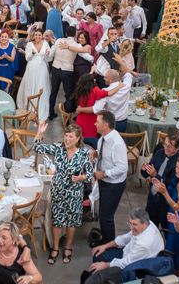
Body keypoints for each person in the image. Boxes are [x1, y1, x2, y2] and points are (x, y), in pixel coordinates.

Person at [33, 122, 93, 265]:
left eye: (70, 136)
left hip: (74, 194)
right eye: (66, 135)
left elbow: (90, 174)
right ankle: (55, 248)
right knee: (58, 220)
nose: (67, 139)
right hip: (58, 190)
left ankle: (67, 247)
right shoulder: (58, 148)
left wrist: (80, 178)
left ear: (78, 138)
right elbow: (36, 147)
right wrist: (40, 132)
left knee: (71, 222)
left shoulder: (84, 153)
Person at [84, 208, 164, 284]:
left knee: (100, 264)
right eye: (130, 223)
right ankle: (96, 275)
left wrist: (105, 265)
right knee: (98, 255)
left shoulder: (144, 244)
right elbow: (125, 238)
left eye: (134, 224)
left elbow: (126, 263)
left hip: (134, 266)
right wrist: (104, 246)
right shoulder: (146, 223)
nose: (131, 227)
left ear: (145, 223)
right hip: (129, 252)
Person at [93, 110, 128, 244]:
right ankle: (105, 239)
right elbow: (105, 154)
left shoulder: (117, 143)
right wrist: (96, 154)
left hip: (113, 185)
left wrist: (104, 173)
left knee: (106, 216)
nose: (95, 124)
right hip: (104, 181)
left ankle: (109, 244)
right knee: (103, 214)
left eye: (98, 121)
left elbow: (122, 167)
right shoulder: (103, 138)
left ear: (106, 124)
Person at [140, 132, 179, 227]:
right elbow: (148, 172)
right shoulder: (159, 153)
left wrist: (155, 175)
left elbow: (172, 184)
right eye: (165, 144)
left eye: (170, 146)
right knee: (149, 226)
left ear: (177, 148)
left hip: (166, 203)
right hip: (152, 197)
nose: (166, 148)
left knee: (165, 229)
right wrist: (144, 170)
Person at [73, 74, 121, 148]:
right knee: (90, 141)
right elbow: (109, 93)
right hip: (90, 121)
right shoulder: (95, 90)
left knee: (80, 139)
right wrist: (119, 86)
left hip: (80, 119)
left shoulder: (81, 90)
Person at [17, 29, 51, 121]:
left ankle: (39, 107)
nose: (37, 37)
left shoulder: (46, 44)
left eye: (39, 35)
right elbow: (27, 58)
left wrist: (47, 55)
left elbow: (48, 59)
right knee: (30, 86)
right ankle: (29, 107)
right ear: (33, 36)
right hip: (31, 68)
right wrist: (32, 54)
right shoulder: (29, 44)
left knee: (41, 86)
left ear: (42, 36)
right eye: (36, 35)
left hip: (42, 69)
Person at [47, 27, 77, 120]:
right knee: (68, 94)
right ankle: (67, 118)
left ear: (66, 33)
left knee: (53, 92)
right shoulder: (77, 45)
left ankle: (51, 113)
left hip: (56, 68)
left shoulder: (59, 41)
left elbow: (51, 56)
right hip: (68, 70)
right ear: (75, 34)